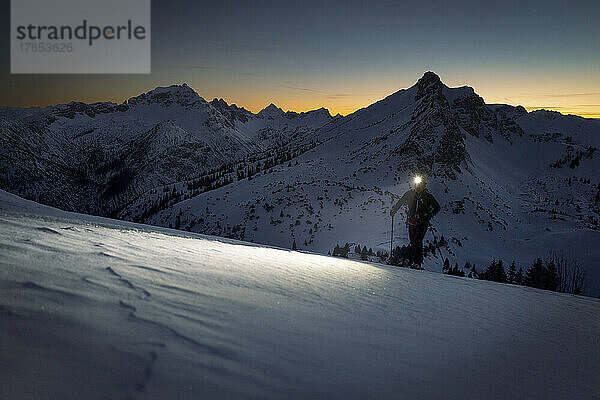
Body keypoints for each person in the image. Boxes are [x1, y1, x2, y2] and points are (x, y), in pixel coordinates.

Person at [390, 175, 440, 267]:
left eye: (420, 185)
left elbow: (437, 207)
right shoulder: (409, 194)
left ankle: (417, 262)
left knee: (417, 240)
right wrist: (394, 210)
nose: (418, 187)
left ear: (424, 186)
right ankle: (413, 262)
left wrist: (429, 215)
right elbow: (400, 202)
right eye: (416, 185)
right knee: (413, 241)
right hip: (412, 221)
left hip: (423, 222)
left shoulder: (428, 197)